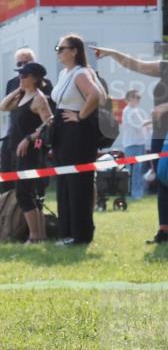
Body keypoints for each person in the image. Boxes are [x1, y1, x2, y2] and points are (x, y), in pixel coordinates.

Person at [93, 44, 168, 242]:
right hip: (160, 134)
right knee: (162, 180)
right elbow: (136, 65)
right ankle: (164, 231)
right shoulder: (165, 67)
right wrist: (112, 53)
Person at [51, 35, 106, 246]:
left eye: (61, 48)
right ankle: (66, 232)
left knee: (78, 185)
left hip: (77, 134)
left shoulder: (81, 73)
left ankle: (81, 235)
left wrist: (80, 116)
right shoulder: (66, 73)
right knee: (64, 183)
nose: (58, 51)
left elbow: (96, 95)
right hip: (63, 133)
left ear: (74, 51)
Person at [0, 61, 53, 242]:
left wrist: (29, 138)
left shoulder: (39, 98)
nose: (20, 78)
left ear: (36, 79)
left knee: (24, 193)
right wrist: (18, 90)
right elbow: (3, 107)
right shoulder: (22, 95)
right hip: (16, 150)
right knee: (27, 193)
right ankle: (40, 235)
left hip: (31, 152)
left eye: (25, 75)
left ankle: (35, 235)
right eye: (19, 75)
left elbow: (49, 123)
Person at [119, 90, 151, 201]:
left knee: (138, 170)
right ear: (129, 99)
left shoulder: (134, 111)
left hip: (139, 143)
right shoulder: (128, 111)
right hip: (132, 144)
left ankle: (138, 193)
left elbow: (143, 126)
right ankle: (134, 194)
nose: (138, 99)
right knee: (133, 171)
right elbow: (140, 125)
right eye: (135, 97)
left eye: (138, 97)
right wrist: (154, 120)